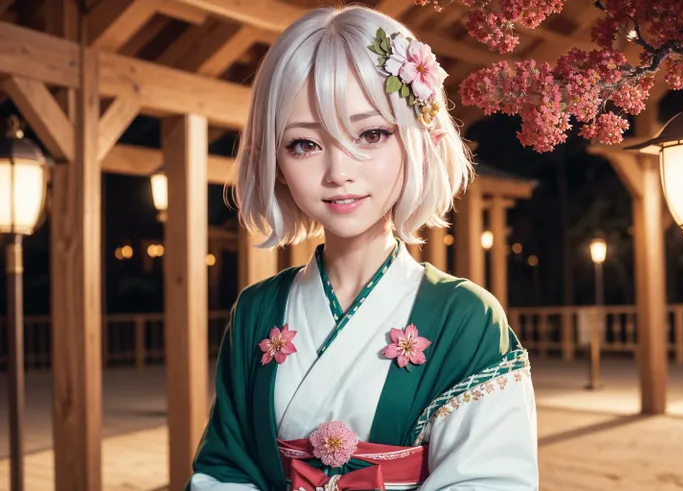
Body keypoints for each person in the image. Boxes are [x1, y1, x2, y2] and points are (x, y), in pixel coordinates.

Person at [187, 4, 538, 491]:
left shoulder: (466, 317)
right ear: (275, 162)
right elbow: (224, 468)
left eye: (370, 134)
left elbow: (491, 478)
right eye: (304, 144)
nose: (338, 172)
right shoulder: (256, 310)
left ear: (414, 140)